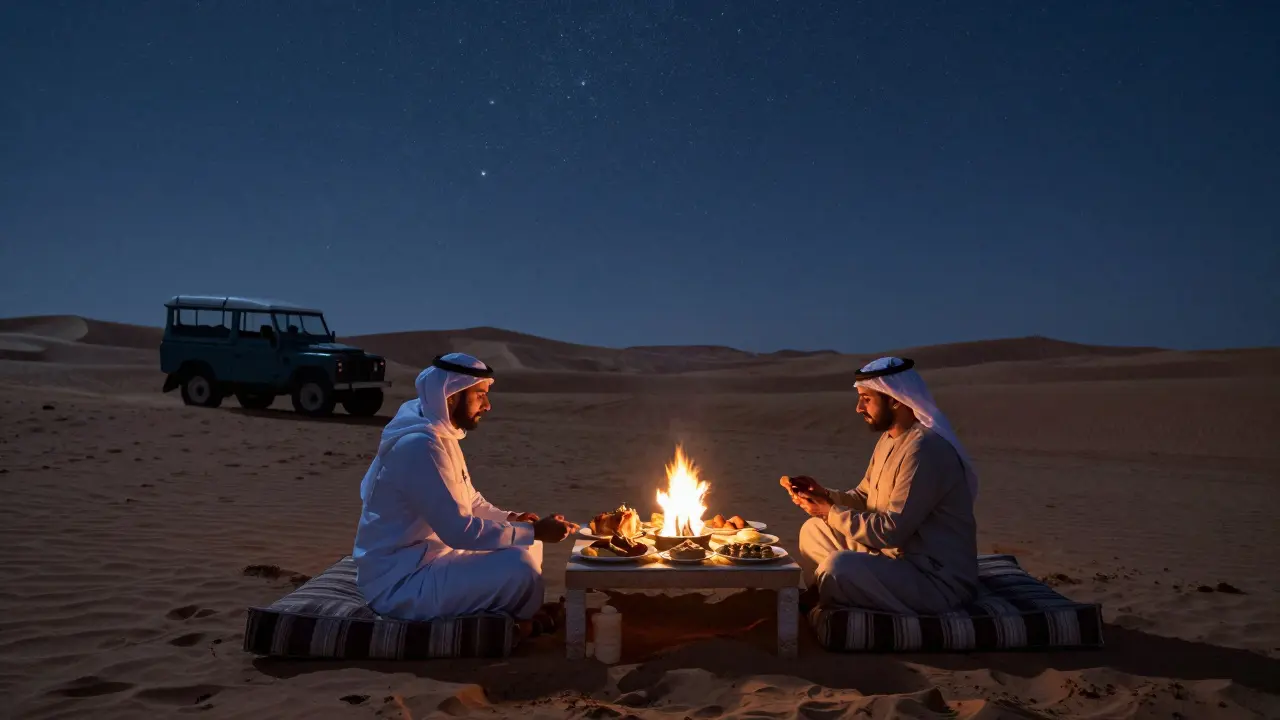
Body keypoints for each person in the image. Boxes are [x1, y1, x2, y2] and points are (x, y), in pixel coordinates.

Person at [352, 352, 578, 632]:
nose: (488, 405)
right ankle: (520, 625)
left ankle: (519, 615)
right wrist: (534, 531)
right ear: (452, 396)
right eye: (480, 395)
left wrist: (514, 519)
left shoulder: (439, 433)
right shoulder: (420, 447)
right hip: (401, 580)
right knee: (520, 568)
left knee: (527, 545)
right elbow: (459, 530)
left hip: (432, 558)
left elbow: (470, 501)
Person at [782, 356, 979, 615]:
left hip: (933, 578)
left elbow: (890, 531)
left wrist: (829, 511)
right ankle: (828, 593)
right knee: (814, 530)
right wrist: (823, 495)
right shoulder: (890, 439)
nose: (858, 408)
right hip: (894, 559)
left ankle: (827, 596)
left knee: (839, 567)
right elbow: (865, 497)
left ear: (894, 398)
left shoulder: (925, 450)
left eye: (866, 399)